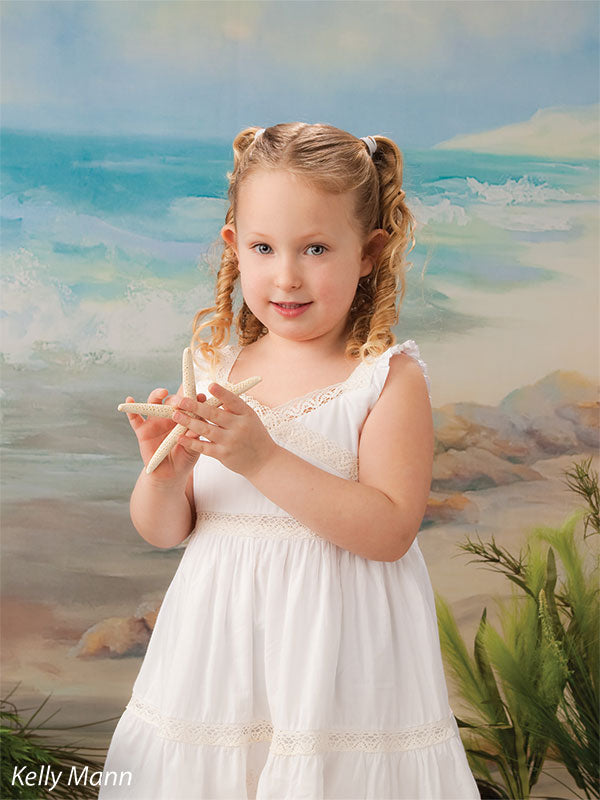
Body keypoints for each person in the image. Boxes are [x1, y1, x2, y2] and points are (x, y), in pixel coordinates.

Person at [99, 122, 480, 799]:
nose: (287, 274)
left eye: (316, 248)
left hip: (338, 663)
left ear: (369, 252)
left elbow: (390, 532)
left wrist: (261, 457)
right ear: (233, 249)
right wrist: (165, 471)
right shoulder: (215, 368)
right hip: (218, 657)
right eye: (264, 247)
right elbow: (164, 531)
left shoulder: (386, 379)